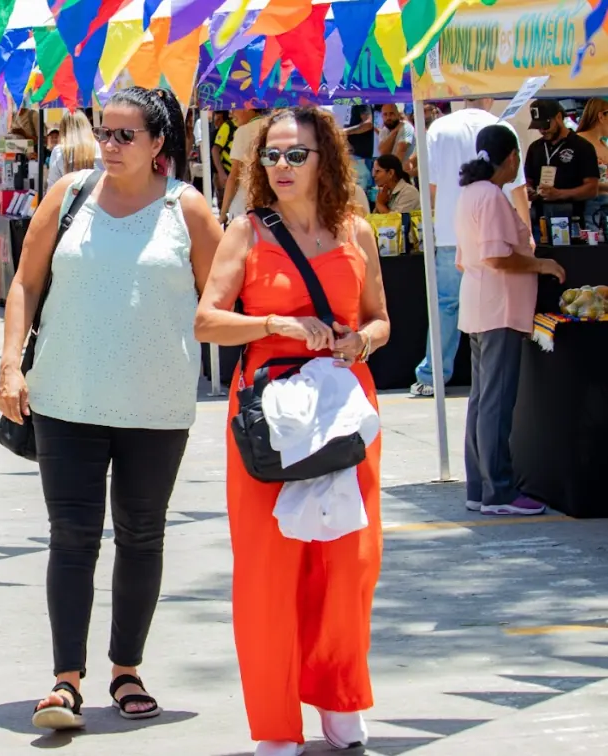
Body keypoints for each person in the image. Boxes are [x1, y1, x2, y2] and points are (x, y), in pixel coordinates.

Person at [0, 86, 221, 731]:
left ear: (159, 144)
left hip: (156, 404)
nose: (110, 146)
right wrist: (11, 365)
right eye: (104, 132)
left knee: (141, 534)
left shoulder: (190, 210)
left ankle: (126, 669)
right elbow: (25, 282)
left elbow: (217, 301)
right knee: (72, 536)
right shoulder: (68, 196)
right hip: (65, 397)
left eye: (126, 135)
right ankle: (66, 680)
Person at [194, 107, 390, 756]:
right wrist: (275, 327)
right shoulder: (246, 233)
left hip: (342, 411)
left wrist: (360, 342)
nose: (279, 166)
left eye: (294, 154)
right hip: (267, 418)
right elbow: (207, 322)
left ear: (324, 160)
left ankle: (338, 700)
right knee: (268, 573)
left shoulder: (355, 231)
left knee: (348, 566)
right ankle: (276, 726)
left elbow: (379, 319)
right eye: (269, 155)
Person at [456, 125, 566, 518]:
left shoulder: (473, 194)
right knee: (495, 403)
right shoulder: (489, 196)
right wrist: (542, 264)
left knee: (483, 400)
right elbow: (498, 257)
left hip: (482, 304)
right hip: (497, 308)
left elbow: (470, 257)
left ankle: (480, 486)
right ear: (512, 158)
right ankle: (498, 490)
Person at [410, 98, 530, 398]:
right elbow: (519, 185)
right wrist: (526, 233)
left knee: (446, 306)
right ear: (488, 99)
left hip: (453, 229)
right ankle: (486, 375)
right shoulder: (501, 127)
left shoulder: (439, 127)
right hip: (493, 230)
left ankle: (433, 375)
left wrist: (432, 227)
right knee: (494, 307)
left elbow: (430, 186)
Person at [525, 98, 600, 232]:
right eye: (538, 127)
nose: (543, 130)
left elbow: (592, 188)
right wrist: (529, 190)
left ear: (559, 117)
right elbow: (528, 180)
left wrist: (559, 194)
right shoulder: (535, 148)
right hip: (540, 220)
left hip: (573, 220)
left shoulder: (582, 146)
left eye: (546, 125)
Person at [220, 104, 267, 224]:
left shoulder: (243, 131)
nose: (232, 113)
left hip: (244, 208)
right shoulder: (274, 126)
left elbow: (234, 176)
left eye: (235, 107)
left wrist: (223, 214)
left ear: (249, 106)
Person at [45, 110, 103, 190]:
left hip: (70, 200)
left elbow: (53, 186)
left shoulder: (59, 151)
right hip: (99, 198)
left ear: (63, 129)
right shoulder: (100, 147)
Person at [574, 97, 608, 229]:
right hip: (589, 207)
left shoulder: (603, 144)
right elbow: (576, 179)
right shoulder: (579, 142)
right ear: (601, 116)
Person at [212, 110, 235, 205]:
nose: (216, 122)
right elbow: (215, 150)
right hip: (226, 174)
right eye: (215, 119)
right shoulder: (227, 127)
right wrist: (221, 173)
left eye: (219, 119)